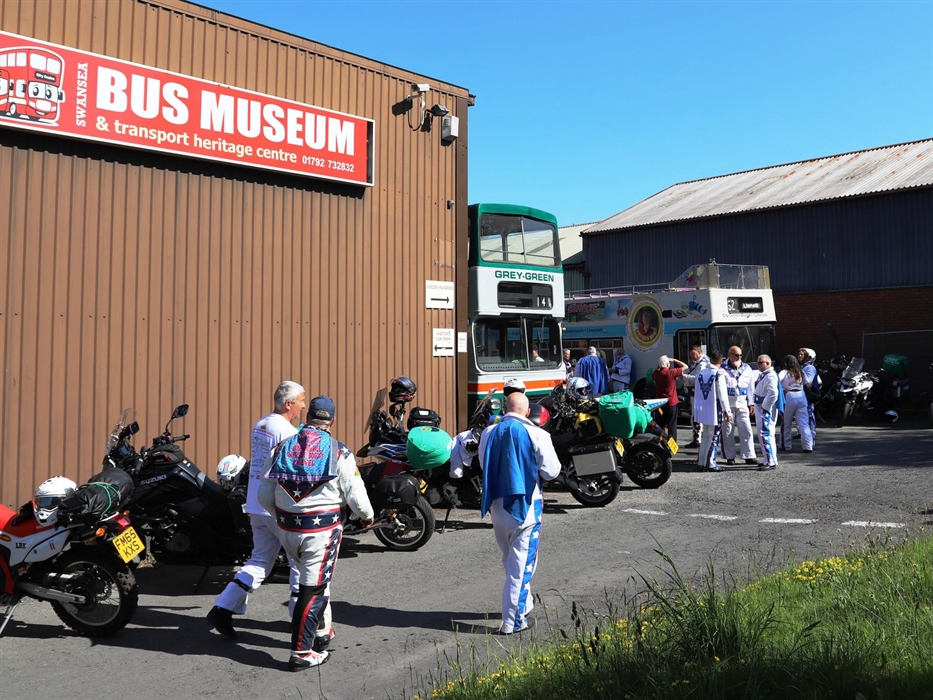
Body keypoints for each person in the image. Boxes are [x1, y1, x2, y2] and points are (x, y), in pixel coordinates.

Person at [258, 396, 375, 671]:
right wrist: (367, 517)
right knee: (313, 589)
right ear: (332, 421)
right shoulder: (338, 452)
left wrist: (282, 518)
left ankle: (322, 631)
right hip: (321, 531)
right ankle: (302, 652)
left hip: (288, 529)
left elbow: (264, 494)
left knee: (315, 583)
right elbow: (356, 497)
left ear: (307, 416)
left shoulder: (281, 447)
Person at [208, 381, 304, 640]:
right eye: (301, 401)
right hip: (277, 506)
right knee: (298, 561)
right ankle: (300, 621)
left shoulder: (261, 424)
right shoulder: (287, 432)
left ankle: (222, 608)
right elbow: (290, 472)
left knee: (260, 560)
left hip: (256, 503)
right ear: (288, 404)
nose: (303, 405)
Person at [479, 392, 561, 634]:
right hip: (525, 506)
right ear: (527, 412)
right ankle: (512, 622)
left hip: (496, 506)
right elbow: (552, 471)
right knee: (521, 567)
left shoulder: (488, 432)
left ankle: (521, 604)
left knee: (511, 560)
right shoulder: (537, 434)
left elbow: (484, 464)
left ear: (505, 409)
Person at [692, 350, 732, 472]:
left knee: (705, 435)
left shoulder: (701, 373)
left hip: (703, 407)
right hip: (715, 407)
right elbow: (723, 395)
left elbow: (698, 392)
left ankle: (702, 461)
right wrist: (728, 411)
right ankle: (710, 463)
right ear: (721, 361)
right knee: (714, 436)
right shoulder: (719, 374)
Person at [720, 346, 758, 465]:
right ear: (729, 354)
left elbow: (751, 387)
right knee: (727, 431)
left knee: (746, 429)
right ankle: (729, 456)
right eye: (736, 355)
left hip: (742, 402)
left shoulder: (747, 368)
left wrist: (751, 402)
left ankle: (749, 455)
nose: (739, 357)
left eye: (741, 355)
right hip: (728, 403)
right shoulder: (722, 369)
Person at [779, 354, 813, 452]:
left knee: (787, 423)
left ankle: (786, 445)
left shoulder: (784, 372)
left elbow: (776, 381)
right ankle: (808, 446)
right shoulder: (801, 371)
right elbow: (809, 384)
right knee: (803, 423)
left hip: (789, 395)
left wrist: (783, 388)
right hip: (801, 395)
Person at [652, 355, 688, 443]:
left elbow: (654, 372)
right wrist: (674, 360)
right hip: (671, 402)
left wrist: (659, 365)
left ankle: (660, 441)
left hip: (660, 403)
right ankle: (672, 444)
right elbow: (685, 366)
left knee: (660, 424)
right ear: (668, 364)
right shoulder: (671, 372)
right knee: (672, 425)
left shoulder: (656, 374)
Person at [753, 355, 780, 471]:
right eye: (758, 362)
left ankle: (770, 461)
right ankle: (769, 459)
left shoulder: (770, 376)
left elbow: (773, 393)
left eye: (761, 362)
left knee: (766, 434)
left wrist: (764, 405)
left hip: (765, 409)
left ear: (768, 363)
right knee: (766, 434)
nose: (759, 364)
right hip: (762, 407)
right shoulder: (765, 375)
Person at [682, 346, 710, 448]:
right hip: (695, 393)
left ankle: (697, 439)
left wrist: (683, 377)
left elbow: (698, 378)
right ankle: (697, 437)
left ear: (699, 352)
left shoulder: (702, 364)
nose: (691, 356)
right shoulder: (698, 362)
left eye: (693, 354)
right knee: (696, 416)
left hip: (698, 394)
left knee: (696, 416)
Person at [798, 347, 820, 449]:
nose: (799, 356)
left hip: (807, 397)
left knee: (809, 418)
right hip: (801, 396)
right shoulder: (802, 367)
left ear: (808, 357)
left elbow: (808, 383)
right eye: (799, 354)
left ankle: (811, 440)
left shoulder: (809, 368)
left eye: (802, 354)